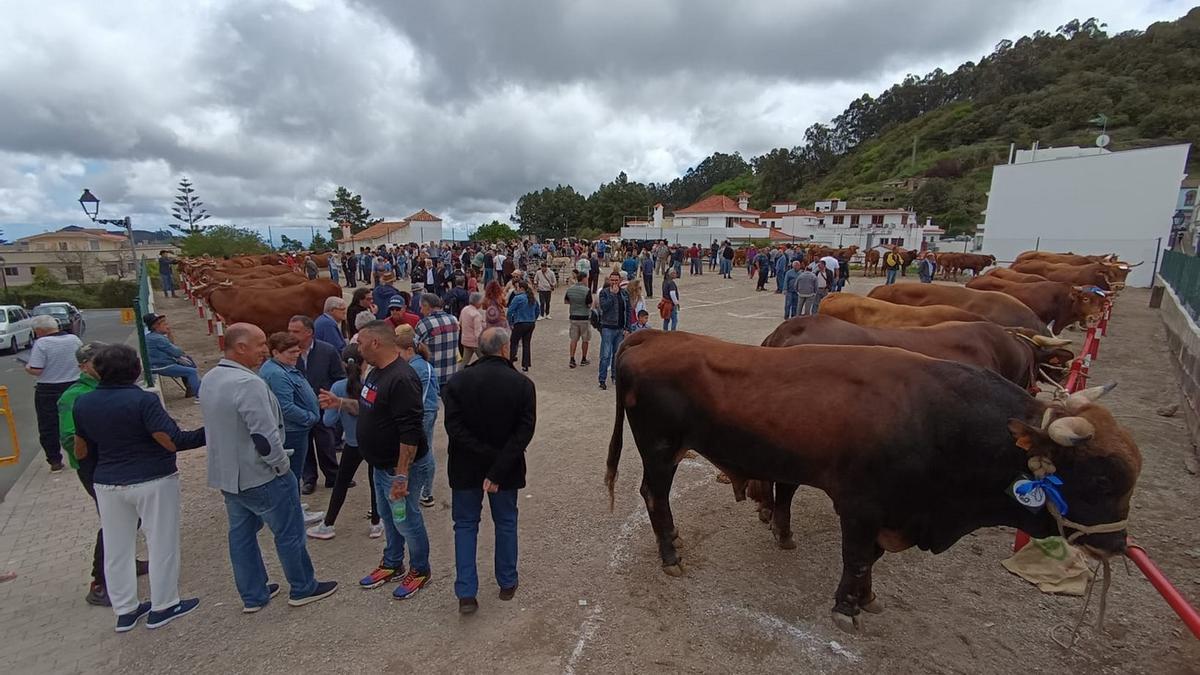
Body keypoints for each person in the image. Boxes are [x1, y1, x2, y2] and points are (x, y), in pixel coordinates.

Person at [201, 323, 339, 613]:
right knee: (289, 532)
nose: (265, 349)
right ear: (240, 347)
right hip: (260, 474)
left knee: (241, 535)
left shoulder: (212, 377)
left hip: (229, 476)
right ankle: (303, 587)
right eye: (260, 343)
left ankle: (254, 594)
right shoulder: (248, 383)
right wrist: (281, 467)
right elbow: (264, 437)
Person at [73, 344, 206, 632]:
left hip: (107, 481)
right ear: (134, 369)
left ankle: (125, 610)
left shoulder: (83, 402)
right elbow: (170, 440)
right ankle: (165, 604)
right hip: (152, 478)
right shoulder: (143, 401)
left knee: (117, 547)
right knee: (161, 542)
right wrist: (208, 433)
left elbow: (81, 449)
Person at [324, 321, 431, 600]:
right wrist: (340, 403)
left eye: (360, 343)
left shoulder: (402, 378)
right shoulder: (374, 373)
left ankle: (420, 570)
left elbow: (410, 433)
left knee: (406, 520)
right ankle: (393, 563)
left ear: (375, 343)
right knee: (387, 517)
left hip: (398, 469)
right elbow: (367, 407)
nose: (357, 349)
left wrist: (401, 475)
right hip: (379, 465)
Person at [442, 327, 536, 614]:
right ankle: (507, 581)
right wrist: (497, 466)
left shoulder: (457, 382)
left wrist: (484, 455)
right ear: (505, 349)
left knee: (466, 526)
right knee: (505, 523)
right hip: (505, 468)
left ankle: (466, 592)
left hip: (465, 466)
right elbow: (524, 432)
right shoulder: (521, 384)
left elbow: (454, 429)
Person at [58, 342, 150, 606]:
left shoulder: (106, 388)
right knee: (115, 522)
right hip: (96, 466)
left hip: (117, 462)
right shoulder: (74, 396)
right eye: (97, 361)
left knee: (131, 517)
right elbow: (68, 437)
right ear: (85, 366)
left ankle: (126, 562)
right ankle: (99, 582)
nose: (103, 366)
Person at [307, 344, 381, 540]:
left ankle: (328, 523)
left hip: (352, 442)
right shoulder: (371, 384)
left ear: (342, 363)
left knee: (341, 482)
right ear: (364, 363)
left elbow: (328, 421)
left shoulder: (337, 387)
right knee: (376, 483)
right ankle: (376, 522)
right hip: (373, 440)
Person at [259, 332, 324, 524]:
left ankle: (294, 504)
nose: (297, 354)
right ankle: (294, 513)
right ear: (276, 352)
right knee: (292, 474)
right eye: (291, 352)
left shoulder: (280, 368)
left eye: (298, 350)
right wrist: (310, 418)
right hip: (293, 431)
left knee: (293, 473)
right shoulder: (277, 374)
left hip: (296, 428)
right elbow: (285, 407)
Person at [289, 315, 346, 495]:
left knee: (326, 443)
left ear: (309, 333)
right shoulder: (288, 353)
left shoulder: (327, 351)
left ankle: (333, 476)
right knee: (304, 446)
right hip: (299, 409)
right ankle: (309, 479)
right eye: (289, 331)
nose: (291, 335)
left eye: (295, 332)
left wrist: (331, 397)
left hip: (322, 405)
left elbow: (339, 377)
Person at [26, 314, 82, 471]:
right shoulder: (74, 339)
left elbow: (37, 369)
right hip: (73, 384)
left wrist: (27, 368)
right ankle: (81, 452)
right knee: (77, 420)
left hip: (48, 389)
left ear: (40, 330)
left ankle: (55, 459)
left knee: (48, 425)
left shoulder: (42, 343)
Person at [394, 325, 440, 507]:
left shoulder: (416, 368)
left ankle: (426, 491)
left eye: (399, 353)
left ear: (409, 350)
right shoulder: (420, 365)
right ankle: (425, 491)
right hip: (426, 410)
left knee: (424, 451)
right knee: (424, 450)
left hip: (423, 412)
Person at [143, 313, 202, 398]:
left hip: (158, 363)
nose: (167, 326)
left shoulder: (153, 336)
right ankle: (198, 395)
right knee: (191, 371)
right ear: (156, 326)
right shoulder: (158, 338)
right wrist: (180, 354)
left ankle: (192, 389)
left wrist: (169, 333)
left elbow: (171, 347)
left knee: (187, 362)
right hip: (161, 365)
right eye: (165, 324)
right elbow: (176, 352)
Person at [414, 293, 460, 388]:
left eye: (421, 307)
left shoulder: (424, 324)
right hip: (452, 372)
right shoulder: (454, 320)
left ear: (427, 306)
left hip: (433, 375)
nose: (421, 311)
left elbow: (415, 349)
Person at [597, 272, 630, 390]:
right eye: (612, 280)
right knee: (605, 355)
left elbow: (628, 311)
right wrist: (612, 295)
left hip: (620, 328)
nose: (614, 282)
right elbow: (604, 308)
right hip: (607, 327)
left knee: (617, 355)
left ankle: (615, 377)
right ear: (609, 281)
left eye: (616, 280)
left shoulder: (625, 293)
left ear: (620, 280)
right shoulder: (604, 293)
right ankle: (602, 379)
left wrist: (627, 328)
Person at [505, 280, 539, 373]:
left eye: (518, 287)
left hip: (520, 322)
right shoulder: (532, 298)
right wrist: (533, 318)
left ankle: (510, 362)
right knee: (526, 343)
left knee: (514, 342)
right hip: (530, 323)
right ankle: (526, 364)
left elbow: (510, 311)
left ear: (521, 288)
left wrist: (510, 322)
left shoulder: (518, 298)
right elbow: (537, 310)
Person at [459, 292, 485, 365]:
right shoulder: (476, 314)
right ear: (477, 302)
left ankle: (460, 374)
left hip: (465, 340)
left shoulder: (464, 309)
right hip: (475, 342)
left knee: (464, 361)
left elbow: (460, 322)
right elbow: (478, 332)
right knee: (485, 360)